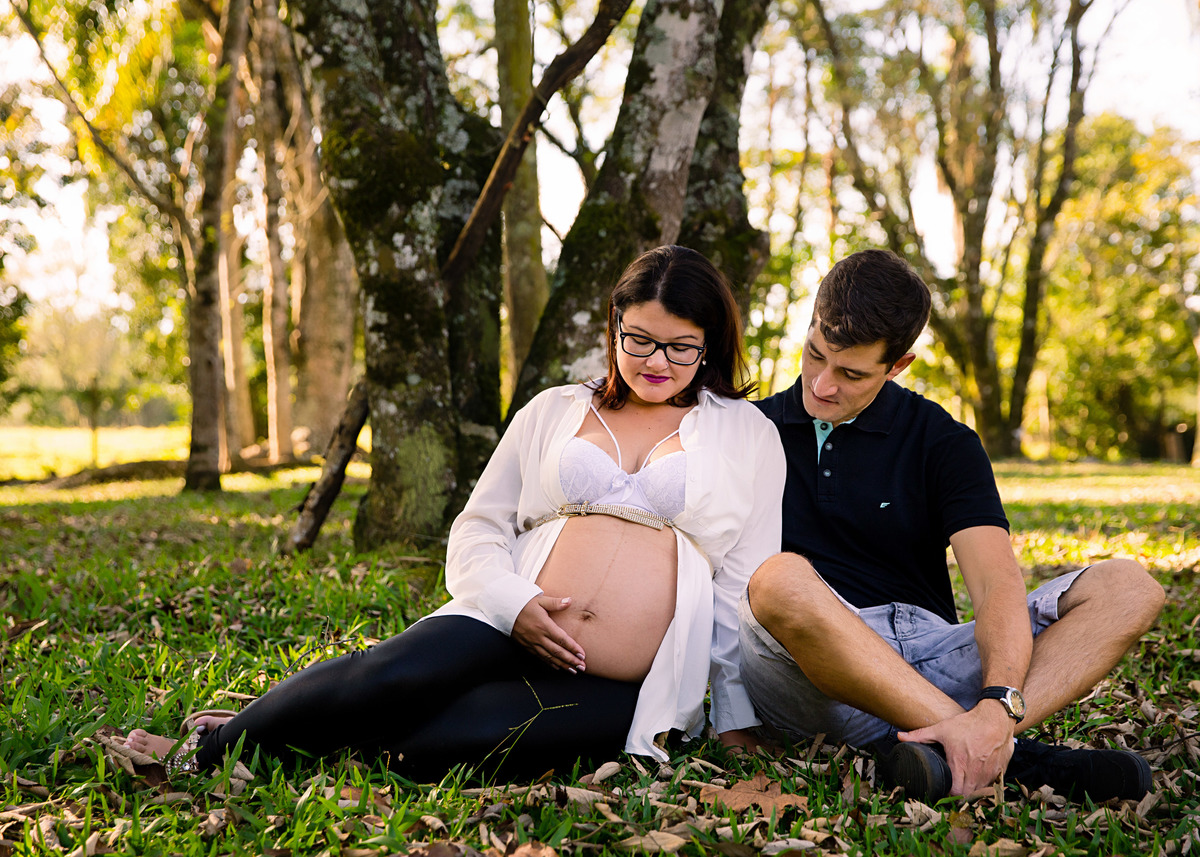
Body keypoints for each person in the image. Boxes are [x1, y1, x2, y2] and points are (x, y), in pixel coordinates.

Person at [123, 245, 785, 781]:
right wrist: (514, 603)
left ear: (710, 343)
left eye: (680, 346)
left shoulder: (746, 434)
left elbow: (741, 588)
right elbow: (478, 525)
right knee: (393, 672)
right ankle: (215, 748)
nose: (655, 362)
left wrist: (732, 716)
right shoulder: (554, 408)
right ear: (613, 322)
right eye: (638, 339)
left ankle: (295, 729)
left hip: (624, 678)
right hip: (504, 620)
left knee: (448, 745)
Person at [738, 249, 1165, 802]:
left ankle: (964, 738)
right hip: (807, 672)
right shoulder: (749, 430)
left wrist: (998, 698)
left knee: (1132, 587)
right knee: (778, 579)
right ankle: (1007, 753)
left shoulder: (944, 441)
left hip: (930, 655)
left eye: (850, 373)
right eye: (814, 355)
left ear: (899, 365)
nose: (821, 384)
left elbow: (994, 584)